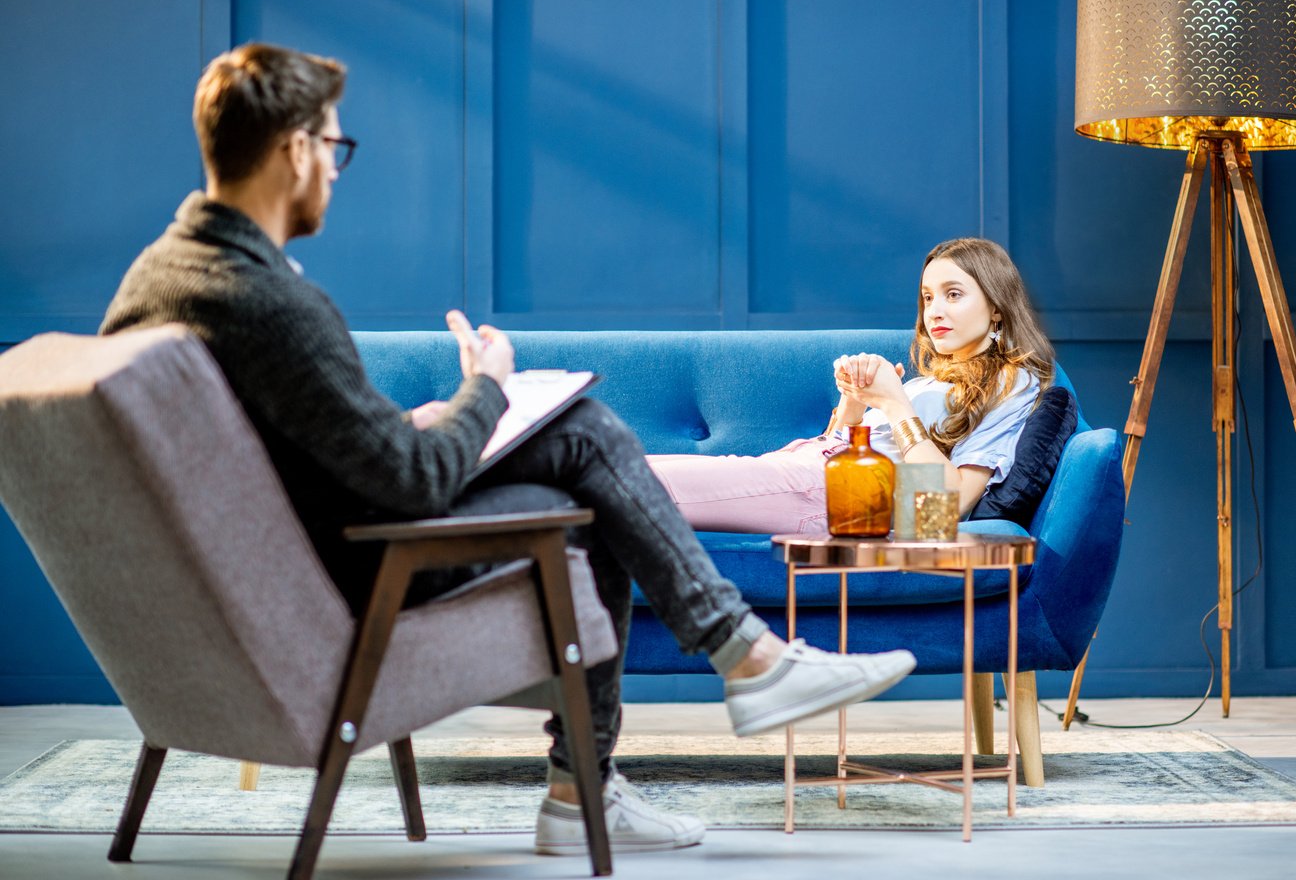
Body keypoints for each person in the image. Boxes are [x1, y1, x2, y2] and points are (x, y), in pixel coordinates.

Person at [99, 43, 915, 856]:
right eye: (335, 146)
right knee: (587, 467)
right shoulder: (273, 301)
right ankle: (679, 712)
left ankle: (695, 699)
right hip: (357, 572)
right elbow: (413, 485)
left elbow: (285, 449)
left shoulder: (162, 278)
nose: (338, 170)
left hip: (273, 564)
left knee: (577, 445)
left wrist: (417, 419)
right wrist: (484, 389)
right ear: (294, 150)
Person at [647, 238, 1056, 534]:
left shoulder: (1013, 381)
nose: (935, 311)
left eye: (953, 295)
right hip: (806, 468)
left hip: (837, 496)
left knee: (631, 486)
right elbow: (835, 444)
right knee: (620, 464)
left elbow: (945, 508)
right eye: (928, 298)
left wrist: (895, 405)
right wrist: (854, 401)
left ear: (997, 309)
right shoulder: (936, 379)